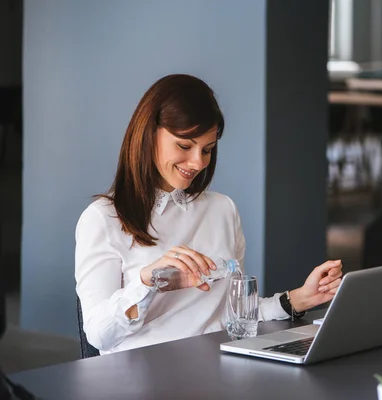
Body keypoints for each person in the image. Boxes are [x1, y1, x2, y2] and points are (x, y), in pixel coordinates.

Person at [74, 74, 343, 355]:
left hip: (220, 365)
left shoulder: (223, 209)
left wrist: (298, 299)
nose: (198, 162)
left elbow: (233, 316)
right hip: (145, 375)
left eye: (208, 149)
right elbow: (98, 336)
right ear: (148, 132)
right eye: (184, 146)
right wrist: (146, 280)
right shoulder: (103, 219)